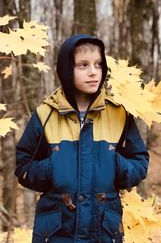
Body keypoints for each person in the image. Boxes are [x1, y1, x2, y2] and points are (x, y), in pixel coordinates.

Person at [15, 34, 149, 243]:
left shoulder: (119, 113)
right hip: (57, 231)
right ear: (67, 69)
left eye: (98, 64)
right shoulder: (45, 114)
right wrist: (53, 167)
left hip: (104, 230)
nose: (93, 72)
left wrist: (114, 164)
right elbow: (23, 167)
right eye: (83, 65)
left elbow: (140, 163)